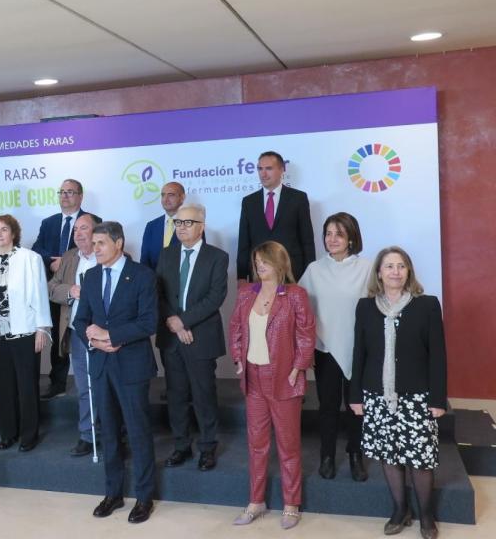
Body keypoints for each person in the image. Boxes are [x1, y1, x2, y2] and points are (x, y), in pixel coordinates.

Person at [350, 247, 447, 539]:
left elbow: (437, 356)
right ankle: (399, 510)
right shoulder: (365, 307)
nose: (395, 271)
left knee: (420, 459)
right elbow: (359, 353)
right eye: (389, 266)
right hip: (377, 396)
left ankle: (426, 517)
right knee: (388, 456)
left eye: (401, 266)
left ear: (409, 272)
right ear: (379, 272)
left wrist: (438, 399)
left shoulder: (427, 305)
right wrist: (356, 396)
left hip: (417, 396)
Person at [73, 221, 158, 524]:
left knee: (137, 432)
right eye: (92, 243)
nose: (93, 248)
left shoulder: (143, 276)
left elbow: (149, 322)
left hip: (132, 365)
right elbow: (80, 321)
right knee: (108, 432)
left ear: (118, 243)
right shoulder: (91, 276)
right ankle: (113, 493)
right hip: (101, 365)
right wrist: (94, 339)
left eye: (100, 243)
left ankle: (145, 497)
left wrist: (111, 336)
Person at [229, 241, 315, 529]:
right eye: (257, 261)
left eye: (264, 261)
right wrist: (239, 360)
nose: (259, 266)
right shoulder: (245, 294)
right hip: (253, 378)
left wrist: (298, 368)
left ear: (279, 262)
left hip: (284, 379)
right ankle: (256, 501)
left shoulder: (295, 295)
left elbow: (306, 334)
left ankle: (291, 504)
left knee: (288, 446)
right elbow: (236, 328)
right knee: (256, 444)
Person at [298, 212, 372, 481]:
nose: (332, 239)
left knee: (356, 407)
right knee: (327, 406)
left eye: (339, 234)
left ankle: (355, 455)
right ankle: (327, 456)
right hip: (325, 348)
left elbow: (375, 310)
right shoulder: (314, 270)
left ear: (351, 237)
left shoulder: (366, 268)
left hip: (358, 350)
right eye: (328, 234)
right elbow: (301, 310)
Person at [155, 203, 228, 471]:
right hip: (172, 338)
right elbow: (159, 293)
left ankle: (208, 447)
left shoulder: (217, 257)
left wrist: (183, 321)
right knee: (176, 395)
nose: (182, 228)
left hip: (201, 337)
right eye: (178, 223)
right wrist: (174, 323)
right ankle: (181, 445)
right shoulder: (166, 255)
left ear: (202, 226)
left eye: (187, 223)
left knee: (203, 395)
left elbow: (215, 298)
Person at [0, 215, 51, 452]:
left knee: (26, 386)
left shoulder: (30, 258)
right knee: (4, 387)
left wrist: (42, 328)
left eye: (4, 229)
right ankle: (8, 433)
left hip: (25, 333)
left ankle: (29, 435)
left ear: (14, 233)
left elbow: (40, 293)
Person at [31, 179, 101, 401]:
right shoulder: (49, 222)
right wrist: (52, 262)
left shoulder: (92, 221)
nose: (65, 196)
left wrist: (69, 260)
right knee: (58, 337)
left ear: (80, 196)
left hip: (85, 293)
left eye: (70, 192)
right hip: (58, 286)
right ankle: (57, 382)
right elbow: (37, 248)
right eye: (62, 192)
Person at [48, 213, 101, 457]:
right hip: (77, 333)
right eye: (76, 229)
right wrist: (70, 290)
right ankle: (87, 435)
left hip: (105, 335)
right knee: (84, 388)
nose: (78, 233)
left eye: (84, 229)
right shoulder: (70, 257)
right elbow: (51, 287)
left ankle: (111, 432)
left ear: (97, 232)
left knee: (106, 387)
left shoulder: (108, 255)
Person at [237, 151, 316, 282]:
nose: (263, 173)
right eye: (260, 169)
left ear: (281, 170)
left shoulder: (298, 198)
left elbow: (307, 240)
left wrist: (310, 274)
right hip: (259, 274)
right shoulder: (249, 202)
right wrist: (241, 277)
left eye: (268, 168)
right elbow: (244, 243)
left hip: (292, 273)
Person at [140, 181, 185, 272]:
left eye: (171, 195)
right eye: (163, 195)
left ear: (182, 198)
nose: (165, 199)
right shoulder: (151, 226)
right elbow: (144, 261)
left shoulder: (192, 225)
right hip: (155, 283)